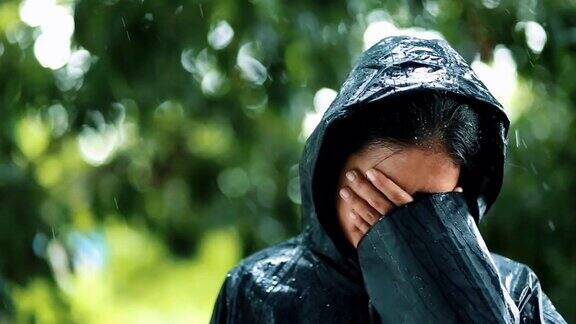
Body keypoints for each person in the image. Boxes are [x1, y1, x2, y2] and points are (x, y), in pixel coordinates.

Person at [209, 36, 567, 323]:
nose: (392, 223)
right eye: (373, 192)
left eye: (426, 206)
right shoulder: (256, 292)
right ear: (331, 171)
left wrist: (455, 298)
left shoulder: (515, 293)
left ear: (461, 195)